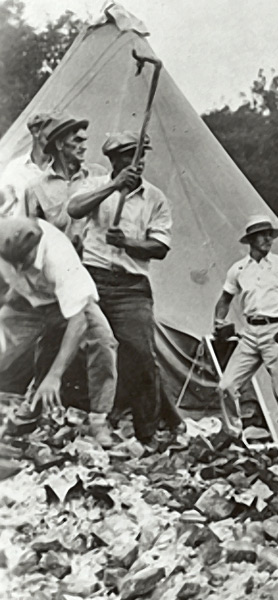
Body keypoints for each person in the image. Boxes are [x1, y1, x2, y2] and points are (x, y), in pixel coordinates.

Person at [66, 132, 179, 443]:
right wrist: (113, 186)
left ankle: (148, 434)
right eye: (130, 156)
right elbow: (75, 209)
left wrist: (127, 243)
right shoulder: (94, 185)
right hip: (94, 279)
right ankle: (84, 423)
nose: (137, 163)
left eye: (141, 156)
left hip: (132, 288)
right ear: (113, 160)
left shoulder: (155, 198)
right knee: (84, 348)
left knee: (142, 357)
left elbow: (160, 247)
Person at [0, 218, 117, 447]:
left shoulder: (59, 256)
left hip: (66, 300)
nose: (19, 269)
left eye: (25, 261)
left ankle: (98, 420)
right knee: (6, 337)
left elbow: (79, 320)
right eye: (13, 264)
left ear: (37, 246)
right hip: (26, 299)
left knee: (103, 341)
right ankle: (32, 404)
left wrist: (55, 376)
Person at [212, 216, 278, 447]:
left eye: (270, 234)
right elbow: (225, 298)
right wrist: (218, 321)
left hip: (275, 331)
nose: (268, 239)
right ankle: (234, 435)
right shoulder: (238, 269)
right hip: (249, 333)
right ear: (250, 240)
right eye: (262, 234)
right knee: (226, 386)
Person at [23, 114, 106, 246]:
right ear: (59, 144)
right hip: (60, 261)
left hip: (95, 262)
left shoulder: (98, 175)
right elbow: (34, 237)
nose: (84, 147)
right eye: (77, 140)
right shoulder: (36, 187)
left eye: (84, 140)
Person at [0, 112, 57, 219]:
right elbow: (3, 211)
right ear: (36, 132)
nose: (57, 135)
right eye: (53, 130)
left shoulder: (61, 169)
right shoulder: (15, 169)